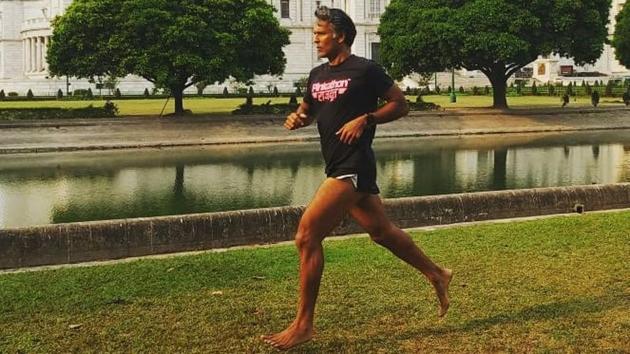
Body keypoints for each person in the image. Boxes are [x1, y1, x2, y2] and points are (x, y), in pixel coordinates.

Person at [262, 6, 453, 350]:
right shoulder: (317, 74)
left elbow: (401, 104)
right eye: (314, 33)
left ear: (339, 34)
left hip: (353, 164)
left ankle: (304, 325)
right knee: (381, 232)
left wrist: (367, 118)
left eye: (320, 33)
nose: (315, 38)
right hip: (337, 162)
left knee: (306, 237)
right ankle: (437, 273)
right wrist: (298, 118)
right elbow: (309, 110)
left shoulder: (366, 70)